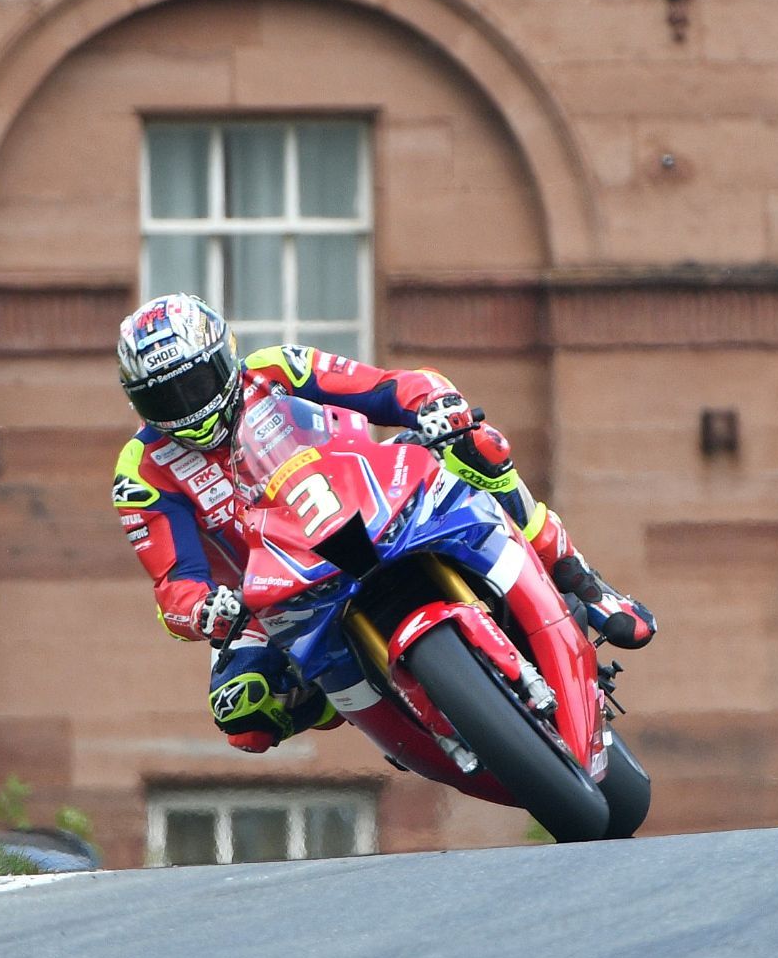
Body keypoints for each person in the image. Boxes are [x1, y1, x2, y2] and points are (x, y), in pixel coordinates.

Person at [114, 292, 655, 754]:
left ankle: (579, 578)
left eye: (196, 383)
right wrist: (206, 610)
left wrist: (436, 405)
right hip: (272, 589)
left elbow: (385, 388)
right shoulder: (140, 470)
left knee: (479, 446)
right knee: (243, 714)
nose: (188, 407)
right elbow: (174, 584)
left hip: (370, 498)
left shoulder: (278, 369)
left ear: (225, 357)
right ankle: (351, 693)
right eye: (163, 397)